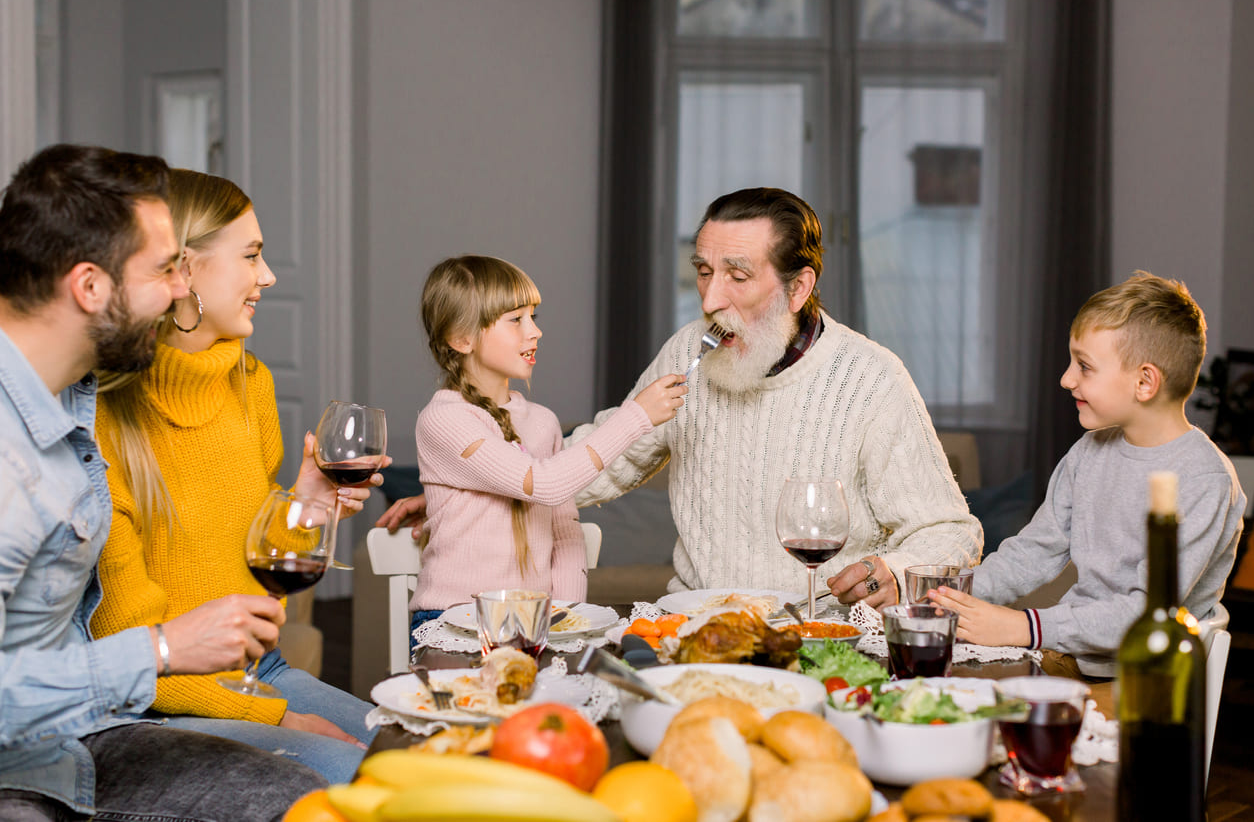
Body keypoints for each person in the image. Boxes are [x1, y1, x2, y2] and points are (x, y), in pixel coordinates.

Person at [383, 189, 981, 608]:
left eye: (738, 277)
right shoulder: (688, 350)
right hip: (697, 630)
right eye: (702, 270)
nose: (710, 299)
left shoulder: (872, 379)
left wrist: (894, 572)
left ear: (799, 287)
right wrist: (484, 488)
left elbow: (951, 531)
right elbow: (608, 454)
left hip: (820, 637)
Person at [0, 144, 325, 821]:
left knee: (312, 800)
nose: (183, 292)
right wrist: (166, 647)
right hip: (25, 770)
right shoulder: (10, 461)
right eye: (164, 270)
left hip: (81, 732)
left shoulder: (73, 399)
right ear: (91, 287)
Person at [89, 169, 380, 784]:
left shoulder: (252, 384)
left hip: (261, 669)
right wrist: (278, 720)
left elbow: (258, 570)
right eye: (251, 255)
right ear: (184, 272)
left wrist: (304, 504)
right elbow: (127, 641)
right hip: (157, 704)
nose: (268, 277)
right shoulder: (103, 421)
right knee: (356, 782)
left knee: (410, 755)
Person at [931, 272, 1245, 678]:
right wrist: (949, 596)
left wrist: (1022, 626)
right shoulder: (1089, 452)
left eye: (1084, 366)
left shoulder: (1204, 480)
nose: (1066, 379)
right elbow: (1032, 554)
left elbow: (1146, 612)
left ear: (1145, 382)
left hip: (1149, 686)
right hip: (1072, 659)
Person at [408, 255, 684, 628]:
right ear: (460, 338)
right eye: (515, 320)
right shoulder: (444, 419)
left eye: (533, 317)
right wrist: (635, 417)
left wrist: (565, 618)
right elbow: (545, 484)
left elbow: (566, 535)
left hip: (533, 622)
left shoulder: (543, 421)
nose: (534, 332)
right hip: (454, 619)